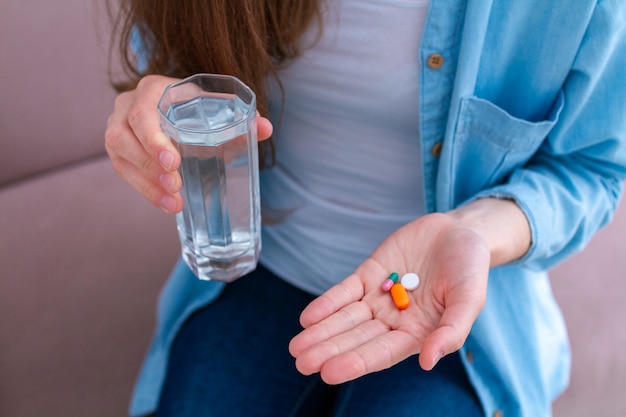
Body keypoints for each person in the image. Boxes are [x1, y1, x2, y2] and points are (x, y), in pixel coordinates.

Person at [104, 1, 626, 416]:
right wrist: (147, 107)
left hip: (447, 306)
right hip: (257, 269)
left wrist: (475, 231)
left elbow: (592, 169)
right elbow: (170, 68)